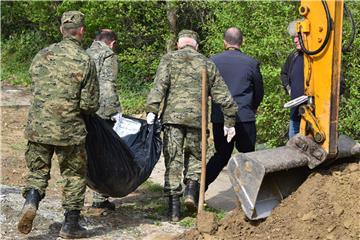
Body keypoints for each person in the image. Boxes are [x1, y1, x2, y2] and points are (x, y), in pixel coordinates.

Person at [18, 11, 99, 239]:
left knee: (37, 171)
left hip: (38, 128)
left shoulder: (42, 54)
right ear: (81, 31)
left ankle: (32, 200)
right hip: (69, 131)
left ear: (61, 30)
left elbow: (35, 84)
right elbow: (89, 104)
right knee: (73, 176)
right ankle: (70, 226)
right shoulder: (85, 60)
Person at [146, 30, 237, 221]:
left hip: (173, 119)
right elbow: (223, 94)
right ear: (196, 45)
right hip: (197, 119)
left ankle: (173, 211)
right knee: (196, 157)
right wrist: (230, 120)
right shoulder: (206, 62)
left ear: (179, 44)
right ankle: (190, 190)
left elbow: (159, 86)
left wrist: (151, 111)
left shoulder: (169, 59)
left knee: (173, 160)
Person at [206, 27, 264, 190]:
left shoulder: (212, 61)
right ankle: (249, 194)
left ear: (225, 43)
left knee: (221, 155)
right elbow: (259, 90)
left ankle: (198, 189)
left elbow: (206, 88)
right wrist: (253, 107)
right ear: (242, 41)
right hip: (245, 116)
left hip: (220, 117)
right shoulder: (251, 63)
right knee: (248, 157)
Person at [280, 20, 345, 138]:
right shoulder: (293, 57)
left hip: (317, 119)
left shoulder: (320, 57)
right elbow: (284, 74)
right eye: (293, 37)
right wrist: (289, 89)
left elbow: (339, 84)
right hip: (296, 115)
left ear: (308, 35)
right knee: (293, 147)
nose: (295, 40)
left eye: (298, 36)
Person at [87, 30, 122, 211]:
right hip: (101, 112)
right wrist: (114, 110)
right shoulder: (108, 55)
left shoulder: (85, 52)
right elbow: (108, 84)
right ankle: (100, 198)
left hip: (84, 111)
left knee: (88, 153)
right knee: (103, 153)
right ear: (112, 43)